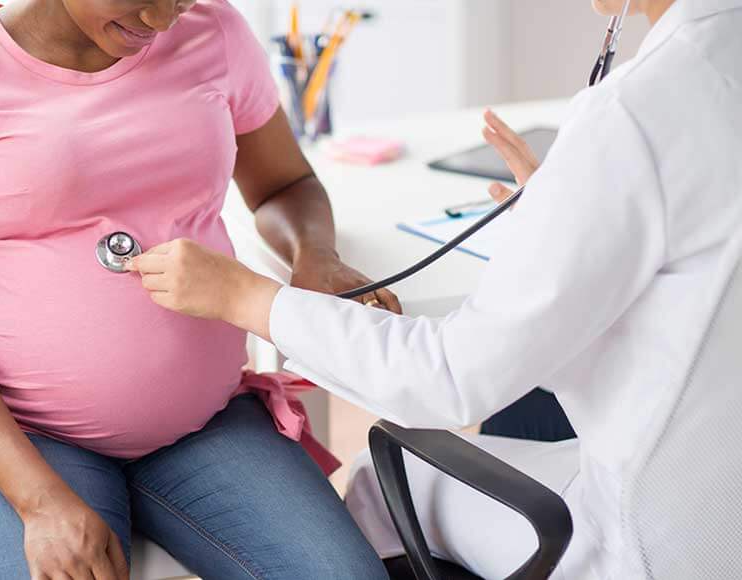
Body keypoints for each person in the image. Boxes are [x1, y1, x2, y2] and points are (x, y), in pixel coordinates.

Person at [125, 0, 742, 577]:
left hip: (654, 546)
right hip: (717, 500)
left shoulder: (634, 115)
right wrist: (574, 216)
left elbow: (448, 380)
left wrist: (245, 297)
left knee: (381, 476)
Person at [0, 1, 397, 578]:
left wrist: (314, 258)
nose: (162, 21)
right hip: (25, 439)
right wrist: (40, 502)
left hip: (207, 422)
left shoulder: (214, 30)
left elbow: (284, 184)